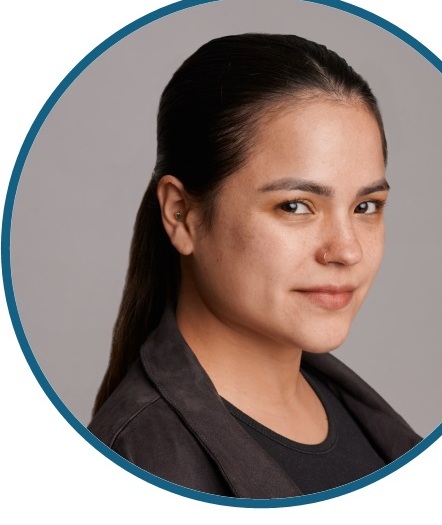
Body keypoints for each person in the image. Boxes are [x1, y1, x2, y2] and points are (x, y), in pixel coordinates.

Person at [88, 33, 421, 499]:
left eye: (366, 207)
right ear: (181, 214)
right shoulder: (140, 468)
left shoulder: (363, 421)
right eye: (294, 206)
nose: (347, 251)